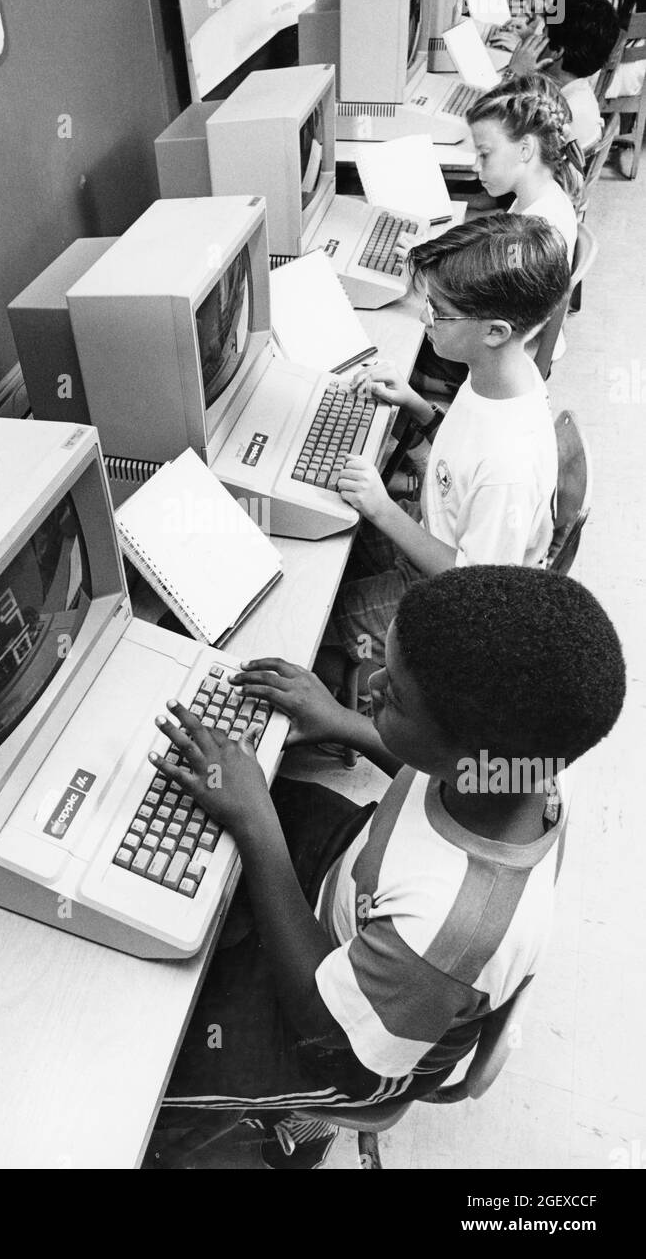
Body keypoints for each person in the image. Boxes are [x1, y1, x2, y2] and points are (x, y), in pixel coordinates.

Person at [146, 567, 626, 1169]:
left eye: (392, 694)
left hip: (345, 1037)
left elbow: (324, 1034)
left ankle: (270, 1137)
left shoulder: (448, 935)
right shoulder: (526, 768)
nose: (367, 682)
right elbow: (443, 766)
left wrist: (255, 825)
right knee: (250, 791)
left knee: (158, 1070)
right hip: (361, 879)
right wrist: (340, 722)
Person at [324, 214, 566, 688]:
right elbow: (462, 449)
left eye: (438, 310)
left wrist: (381, 509)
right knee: (336, 539)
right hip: (435, 523)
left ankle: (337, 723)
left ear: (495, 331)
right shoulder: (501, 375)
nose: (423, 316)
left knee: (324, 616)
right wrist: (414, 405)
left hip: (448, 601)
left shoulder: (508, 466)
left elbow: (473, 586)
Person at [467, 72, 582, 262]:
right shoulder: (537, 197)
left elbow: (496, 284)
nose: (475, 167)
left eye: (485, 154)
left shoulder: (533, 235)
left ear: (524, 149)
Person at [505, 0, 621, 151]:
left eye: (543, 34)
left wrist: (512, 75)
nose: (537, 38)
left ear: (557, 51)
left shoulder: (552, 115)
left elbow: (491, 128)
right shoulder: (579, 94)